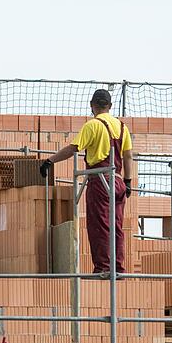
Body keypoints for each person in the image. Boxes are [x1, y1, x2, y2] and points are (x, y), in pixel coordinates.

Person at [39, 89, 133, 274]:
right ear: (110, 106)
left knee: (100, 226)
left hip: (100, 181)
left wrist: (49, 161)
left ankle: (103, 269)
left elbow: (73, 148)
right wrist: (128, 181)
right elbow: (128, 156)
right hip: (118, 181)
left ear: (92, 105)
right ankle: (118, 270)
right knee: (116, 227)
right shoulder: (122, 127)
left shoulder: (92, 126)